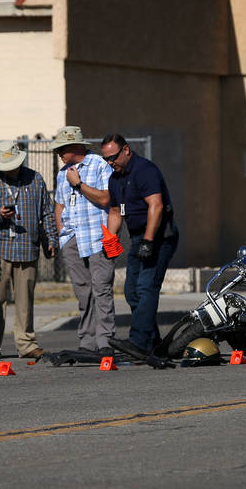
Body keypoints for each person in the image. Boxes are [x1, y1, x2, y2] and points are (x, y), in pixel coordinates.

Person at [0, 140, 59, 359]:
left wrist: (51, 240)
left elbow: (47, 213)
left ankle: (27, 344)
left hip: (26, 246)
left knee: (25, 299)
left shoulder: (35, 179)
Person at [101, 134, 179, 357]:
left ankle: (138, 340)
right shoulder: (115, 178)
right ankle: (152, 342)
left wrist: (148, 241)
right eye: (106, 159)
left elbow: (156, 205)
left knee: (146, 288)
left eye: (113, 157)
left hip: (159, 237)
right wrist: (110, 239)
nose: (110, 162)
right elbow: (115, 212)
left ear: (126, 150)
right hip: (138, 237)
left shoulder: (145, 170)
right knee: (132, 291)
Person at [52, 125, 116, 353]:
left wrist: (78, 184)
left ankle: (105, 341)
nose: (58, 153)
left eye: (61, 148)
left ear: (75, 146)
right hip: (73, 238)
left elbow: (105, 198)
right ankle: (87, 342)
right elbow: (59, 204)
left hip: (98, 238)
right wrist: (62, 235)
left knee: (102, 289)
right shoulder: (62, 173)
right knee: (83, 292)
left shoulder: (100, 165)